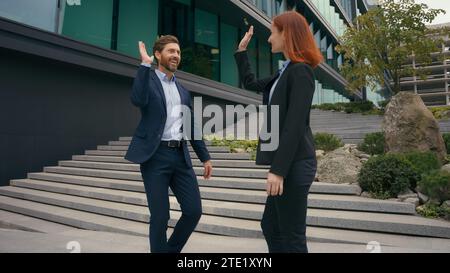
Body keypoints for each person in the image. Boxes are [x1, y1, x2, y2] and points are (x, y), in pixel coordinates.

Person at [234, 11, 323, 253]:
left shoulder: (301, 72)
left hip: (295, 165)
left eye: (273, 32)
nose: (270, 38)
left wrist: (278, 170)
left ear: (287, 34)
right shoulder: (285, 71)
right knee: (271, 227)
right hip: (288, 165)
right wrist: (241, 52)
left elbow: (295, 125)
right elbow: (252, 83)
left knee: (291, 236)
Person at [125, 35, 213, 253]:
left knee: (193, 211)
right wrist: (145, 65)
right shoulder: (149, 79)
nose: (176, 55)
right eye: (171, 51)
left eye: (178, 52)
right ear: (158, 54)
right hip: (155, 157)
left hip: (180, 157)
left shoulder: (183, 91)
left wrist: (205, 157)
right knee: (161, 216)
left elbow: (191, 125)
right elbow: (137, 99)